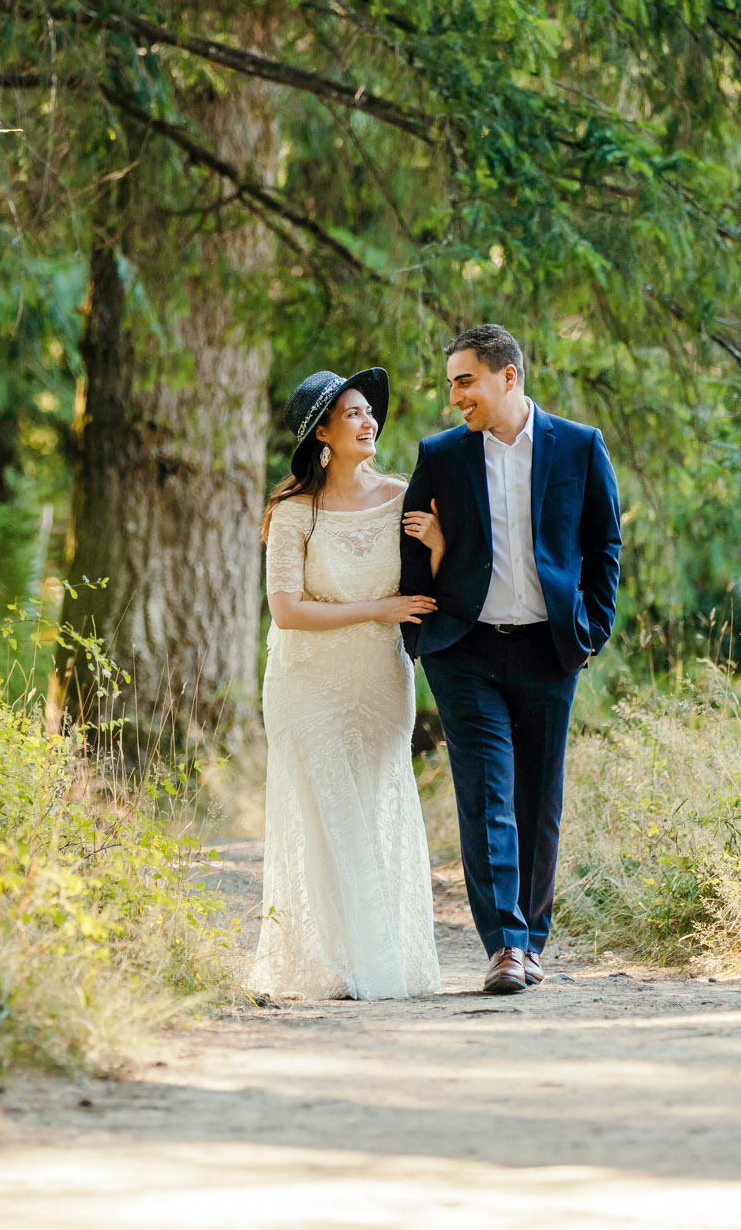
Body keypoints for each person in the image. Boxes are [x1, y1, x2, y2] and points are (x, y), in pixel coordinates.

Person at [399, 325, 622, 994]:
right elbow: (413, 545)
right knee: (488, 792)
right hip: (463, 650)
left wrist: (591, 631)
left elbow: (604, 542)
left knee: (538, 798)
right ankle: (504, 945)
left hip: (547, 649)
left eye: (464, 380)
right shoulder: (441, 455)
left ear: (508, 376)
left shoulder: (579, 446)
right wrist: (422, 635)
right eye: (450, 384)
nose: (454, 397)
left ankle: (532, 941)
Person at [249, 367, 443, 1000]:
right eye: (353, 414)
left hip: (382, 680)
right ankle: (337, 964)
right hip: (308, 682)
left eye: (370, 412)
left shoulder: (403, 495)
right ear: (323, 434)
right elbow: (286, 610)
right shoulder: (292, 511)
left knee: (372, 810)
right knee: (328, 815)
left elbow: (434, 587)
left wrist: (438, 545)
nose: (369, 422)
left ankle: (379, 956)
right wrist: (376, 611)